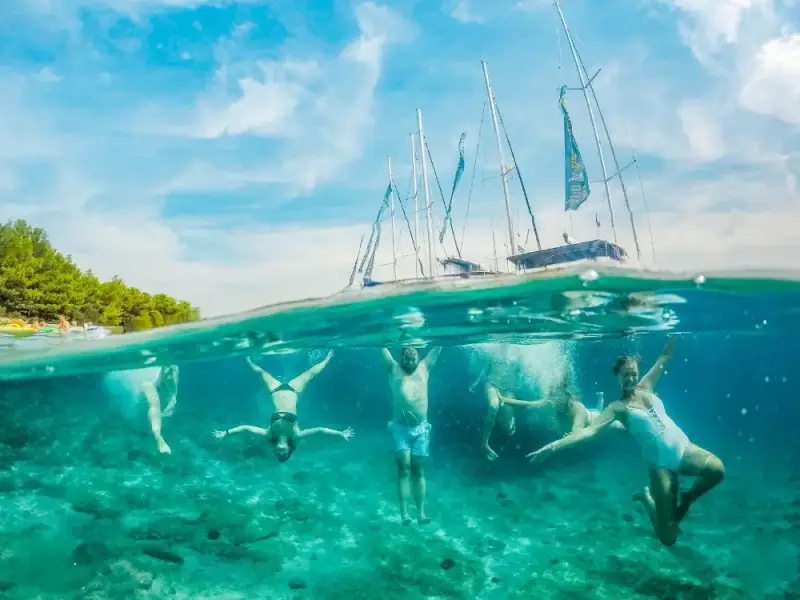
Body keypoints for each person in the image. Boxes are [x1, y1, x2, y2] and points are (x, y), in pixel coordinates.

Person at [526, 337, 725, 547]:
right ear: (618, 377)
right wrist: (553, 447)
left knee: (717, 470)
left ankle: (686, 499)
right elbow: (589, 431)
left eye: (633, 373)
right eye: (625, 375)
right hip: (661, 467)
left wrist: (672, 331)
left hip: (685, 450)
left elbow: (665, 356)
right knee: (668, 538)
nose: (630, 378)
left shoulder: (646, 386)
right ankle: (648, 500)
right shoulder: (617, 408)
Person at [213, 351, 353, 462]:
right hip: (294, 390)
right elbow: (320, 431)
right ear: (289, 450)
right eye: (284, 454)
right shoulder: (296, 436)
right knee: (311, 373)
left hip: (275, 390)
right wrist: (340, 434)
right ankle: (328, 356)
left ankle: (247, 357)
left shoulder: (269, 434)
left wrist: (226, 433)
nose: (280, 452)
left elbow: (246, 429)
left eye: (278, 454)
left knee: (260, 373)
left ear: (274, 450)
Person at [382, 346, 441, 525]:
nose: (410, 361)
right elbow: (382, 346)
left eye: (413, 358)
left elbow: (439, 346)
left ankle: (421, 513)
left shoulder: (425, 367)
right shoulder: (393, 368)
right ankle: (404, 514)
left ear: (418, 357)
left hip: (421, 429)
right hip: (400, 429)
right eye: (406, 358)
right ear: (401, 358)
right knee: (404, 469)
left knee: (419, 470)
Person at [468, 364, 553, 461]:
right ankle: (484, 443)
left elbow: (523, 370)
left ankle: (505, 419)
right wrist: (477, 382)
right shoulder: (493, 349)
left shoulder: (520, 352)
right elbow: (485, 368)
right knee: (493, 406)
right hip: (492, 384)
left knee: (509, 429)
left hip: (509, 388)